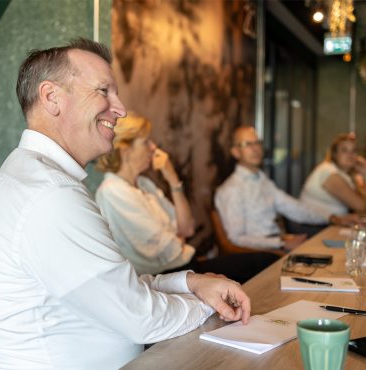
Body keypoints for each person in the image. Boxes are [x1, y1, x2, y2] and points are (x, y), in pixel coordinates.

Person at [0, 38, 251, 370]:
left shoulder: (35, 179)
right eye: (103, 91)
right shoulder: (49, 196)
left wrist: (192, 282)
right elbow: (140, 317)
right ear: (52, 97)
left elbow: (114, 286)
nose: (120, 109)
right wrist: (208, 306)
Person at [95, 113, 280, 283]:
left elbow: (187, 228)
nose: (153, 147)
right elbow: (166, 249)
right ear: (125, 150)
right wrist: (176, 238)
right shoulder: (113, 191)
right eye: (146, 142)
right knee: (261, 265)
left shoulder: (144, 184)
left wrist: (172, 178)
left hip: (186, 265)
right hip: (164, 278)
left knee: (267, 261)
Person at [215, 126, 349, 251]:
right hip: (257, 254)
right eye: (248, 144)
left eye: (258, 143)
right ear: (235, 152)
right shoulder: (231, 189)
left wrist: (332, 217)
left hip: (277, 243)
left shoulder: (262, 180)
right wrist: (281, 243)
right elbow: (237, 238)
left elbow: (295, 208)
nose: (255, 149)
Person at [300, 132, 366, 215]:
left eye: (354, 151)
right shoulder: (329, 172)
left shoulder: (346, 175)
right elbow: (362, 207)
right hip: (313, 226)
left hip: (328, 224)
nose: (350, 155)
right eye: (344, 150)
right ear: (335, 154)